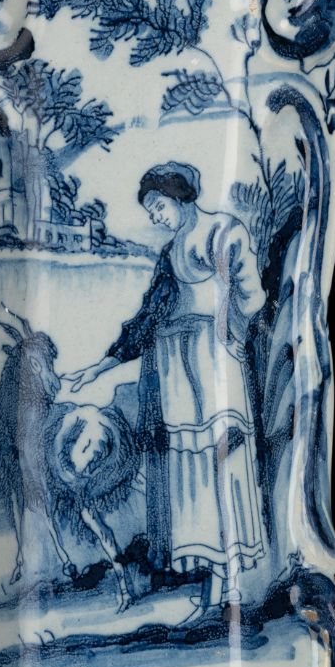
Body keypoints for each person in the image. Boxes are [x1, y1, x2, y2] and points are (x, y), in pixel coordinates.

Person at [67, 161, 266, 621]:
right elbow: (146, 318)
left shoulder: (223, 233)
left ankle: (231, 589)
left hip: (211, 368)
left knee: (221, 466)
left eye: (158, 207)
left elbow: (251, 294)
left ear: (179, 197)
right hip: (174, 375)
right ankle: (213, 591)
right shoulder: (170, 253)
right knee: (192, 480)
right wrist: (100, 366)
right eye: (151, 211)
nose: (155, 217)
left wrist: (229, 337)